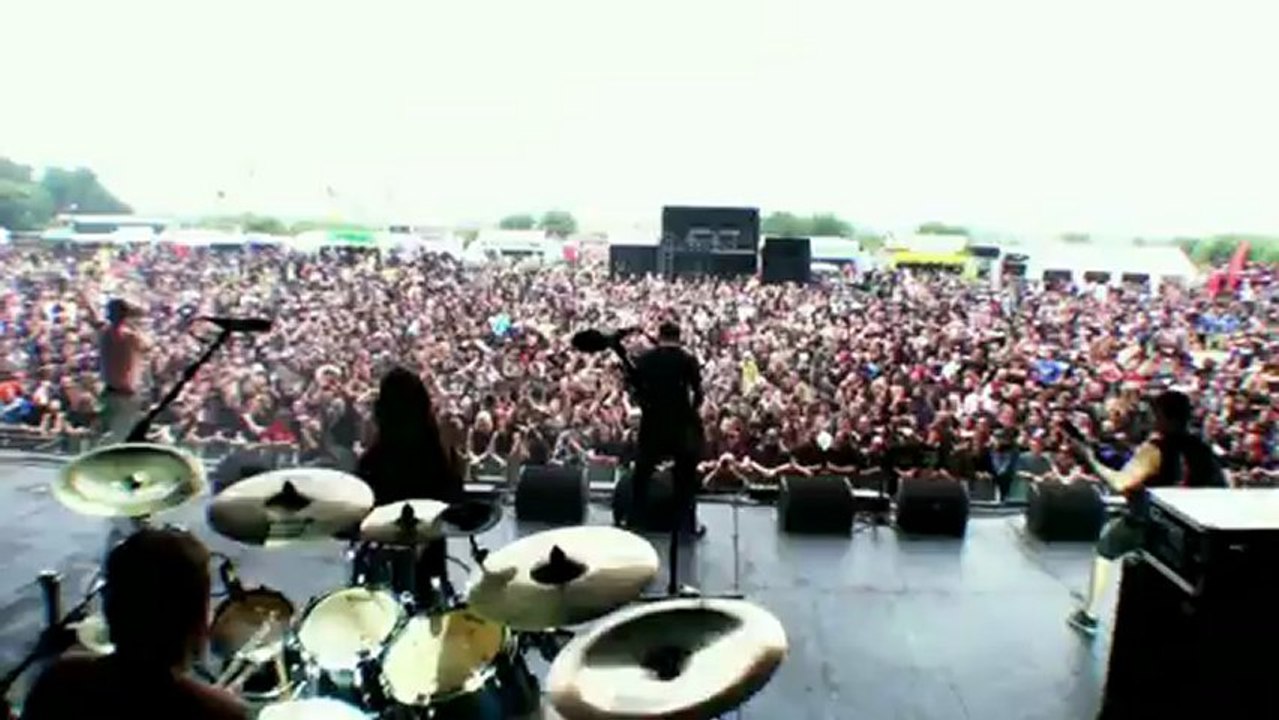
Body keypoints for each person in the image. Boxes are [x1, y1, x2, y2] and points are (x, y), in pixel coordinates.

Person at [21, 528, 247, 720]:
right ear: (198, 620)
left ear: (110, 610)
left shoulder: (58, 682)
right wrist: (213, 702)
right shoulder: (222, 713)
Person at [1066, 390, 1229, 636]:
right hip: (1190, 527)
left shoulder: (1155, 449)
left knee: (1106, 549)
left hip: (1150, 520)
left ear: (1161, 415)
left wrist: (1089, 459)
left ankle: (1089, 615)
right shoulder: (1201, 448)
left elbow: (1121, 483)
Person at [355, 367, 464, 600]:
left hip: (382, 550)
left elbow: (361, 504)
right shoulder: (436, 449)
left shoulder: (375, 457)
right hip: (429, 550)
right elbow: (454, 496)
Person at [622, 322, 705, 537]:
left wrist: (647, 407)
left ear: (659, 336)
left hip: (653, 423)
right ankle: (686, 525)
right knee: (685, 477)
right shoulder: (688, 360)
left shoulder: (646, 360)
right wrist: (690, 413)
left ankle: (634, 522)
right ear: (678, 337)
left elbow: (633, 388)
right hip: (680, 424)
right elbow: (698, 393)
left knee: (642, 474)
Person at [84, 296, 149, 445]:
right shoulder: (130, 336)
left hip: (111, 390)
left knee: (116, 431)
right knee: (121, 433)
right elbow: (147, 346)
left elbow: (97, 321)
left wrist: (89, 304)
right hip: (125, 393)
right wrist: (135, 324)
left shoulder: (106, 333)